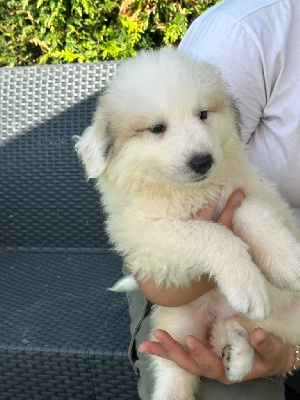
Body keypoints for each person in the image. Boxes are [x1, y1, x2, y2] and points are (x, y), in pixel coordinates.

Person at [126, 0, 300, 398]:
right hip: (193, 267)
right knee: (212, 379)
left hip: (279, 292)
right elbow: (158, 264)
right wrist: (227, 249)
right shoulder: (247, 31)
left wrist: (292, 354)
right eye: (158, 127)